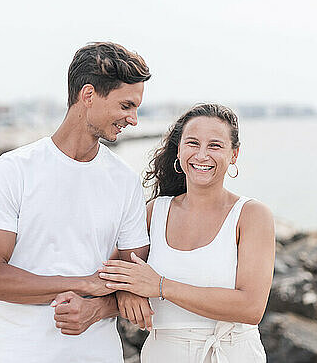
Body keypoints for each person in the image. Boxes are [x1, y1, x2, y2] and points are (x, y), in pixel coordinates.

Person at [0, 42, 155, 362]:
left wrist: (95, 309)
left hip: (98, 353)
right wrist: (84, 283)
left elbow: (135, 285)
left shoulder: (124, 181)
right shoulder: (15, 169)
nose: (133, 119)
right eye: (126, 105)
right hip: (21, 352)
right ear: (88, 95)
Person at [99, 103, 275, 362]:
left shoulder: (251, 215)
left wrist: (159, 286)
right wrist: (127, 290)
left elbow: (251, 307)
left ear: (234, 154)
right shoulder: (154, 213)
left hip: (231, 353)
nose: (202, 155)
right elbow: (112, 269)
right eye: (193, 143)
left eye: (215, 145)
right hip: (163, 354)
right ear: (179, 150)